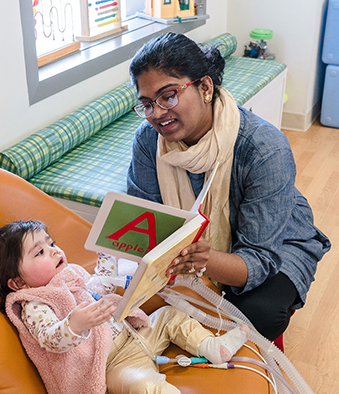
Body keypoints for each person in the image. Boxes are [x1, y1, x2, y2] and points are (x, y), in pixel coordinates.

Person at [127, 32, 331, 341]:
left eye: (168, 96)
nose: (156, 114)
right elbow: (146, 219)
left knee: (258, 315)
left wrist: (204, 260)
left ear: (205, 87)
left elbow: (260, 258)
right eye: (147, 104)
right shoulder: (148, 142)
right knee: (138, 299)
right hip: (187, 249)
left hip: (276, 241)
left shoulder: (264, 148)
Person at [0, 220, 250, 394]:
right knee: (144, 387)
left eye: (51, 243)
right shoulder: (34, 305)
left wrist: (109, 270)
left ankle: (212, 348)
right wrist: (75, 324)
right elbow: (51, 339)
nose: (54, 251)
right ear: (17, 283)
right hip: (107, 367)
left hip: (131, 335)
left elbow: (98, 289)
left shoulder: (72, 273)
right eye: (39, 252)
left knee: (170, 316)